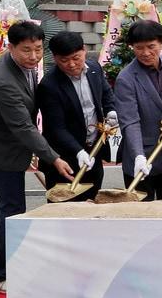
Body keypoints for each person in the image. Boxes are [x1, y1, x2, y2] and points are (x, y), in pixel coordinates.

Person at [0, 21, 73, 294]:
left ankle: (8, 269)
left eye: (38, 49)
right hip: (2, 152)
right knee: (11, 211)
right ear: (10, 48)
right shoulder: (3, 81)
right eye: (26, 50)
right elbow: (22, 126)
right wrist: (53, 158)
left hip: (16, 147)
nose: (33, 56)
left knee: (10, 210)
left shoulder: (25, 67)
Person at [114, 20, 162, 202]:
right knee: (142, 217)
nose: (146, 53)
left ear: (161, 43)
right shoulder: (126, 79)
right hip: (143, 155)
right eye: (139, 48)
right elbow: (130, 121)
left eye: (151, 46)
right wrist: (138, 156)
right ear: (131, 46)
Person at [37, 31, 117, 200]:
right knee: (65, 210)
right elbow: (56, 128)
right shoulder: (49, 85)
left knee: (93, 204)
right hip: (64, 158)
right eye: (64, 61)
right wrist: (78, 151)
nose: (72, 65)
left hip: (94, 150)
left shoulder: (94, 68)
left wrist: (111, 111)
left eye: (76, 58)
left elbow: (106, 93)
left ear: (84, 50)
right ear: (55, 57)